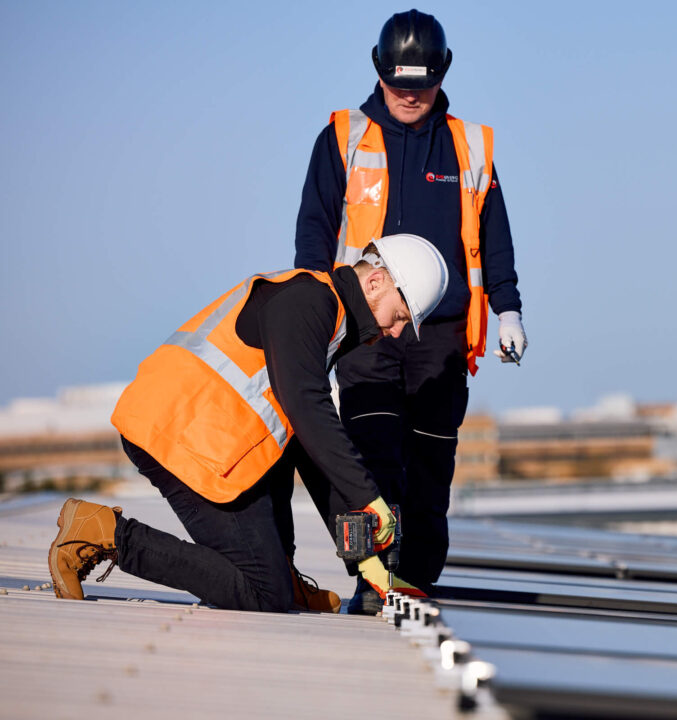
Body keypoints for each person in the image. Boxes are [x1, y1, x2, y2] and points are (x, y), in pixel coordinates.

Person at [47, 234, 448, 612]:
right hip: (176, 435)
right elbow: (309, 411)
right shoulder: (308, 301)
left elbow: (307, 448)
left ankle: (283, 573)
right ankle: (105, 534)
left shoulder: (325, 320)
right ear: (375, 282)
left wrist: (369, 565)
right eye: (398, 317)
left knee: (273, 567)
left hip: (210, 445)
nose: (395, 332)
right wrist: (368, 498)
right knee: (262, 591)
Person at [293, 9, 525, 613]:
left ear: (440, 77)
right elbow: (314, 232)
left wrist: (508, 308)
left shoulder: (469, 146)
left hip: (441, 335)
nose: (408, 98)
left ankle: (418, 579)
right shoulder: (343, 137)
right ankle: (372, 580)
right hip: (364, 329)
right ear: (380, 73)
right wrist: (316, 313)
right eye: (399, 87)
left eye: (419, 88)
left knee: (429, 462)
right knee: (371, 455)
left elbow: (494, 234)